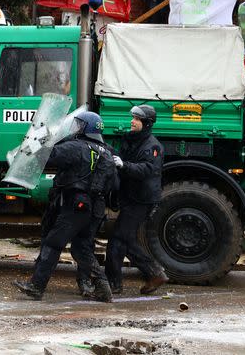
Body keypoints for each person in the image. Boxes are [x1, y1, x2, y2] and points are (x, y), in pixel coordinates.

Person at [12, 111, 115, 302]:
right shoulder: (107, 152)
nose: (75, 128)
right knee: (81, 248)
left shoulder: (76, 147)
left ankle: (37, 286)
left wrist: (36, 141)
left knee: (53, 243)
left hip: (75, 205)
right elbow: (113, 185)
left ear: (85, 128)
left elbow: (47, 158)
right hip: (96, 208)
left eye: (78, 124)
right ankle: (103, 287)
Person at [105, 105, 169, 295]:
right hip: (130, 197)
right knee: (124, 240)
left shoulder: (152, 146)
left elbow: (148, 170)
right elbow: (121, 157)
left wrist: (124, 165)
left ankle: (150, 273)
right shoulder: (132, 140)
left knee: (118, 239)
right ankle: (148, 275)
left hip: (141, 200)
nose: (132, 121)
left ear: (146, 124)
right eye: (133, 118)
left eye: (137, 119)